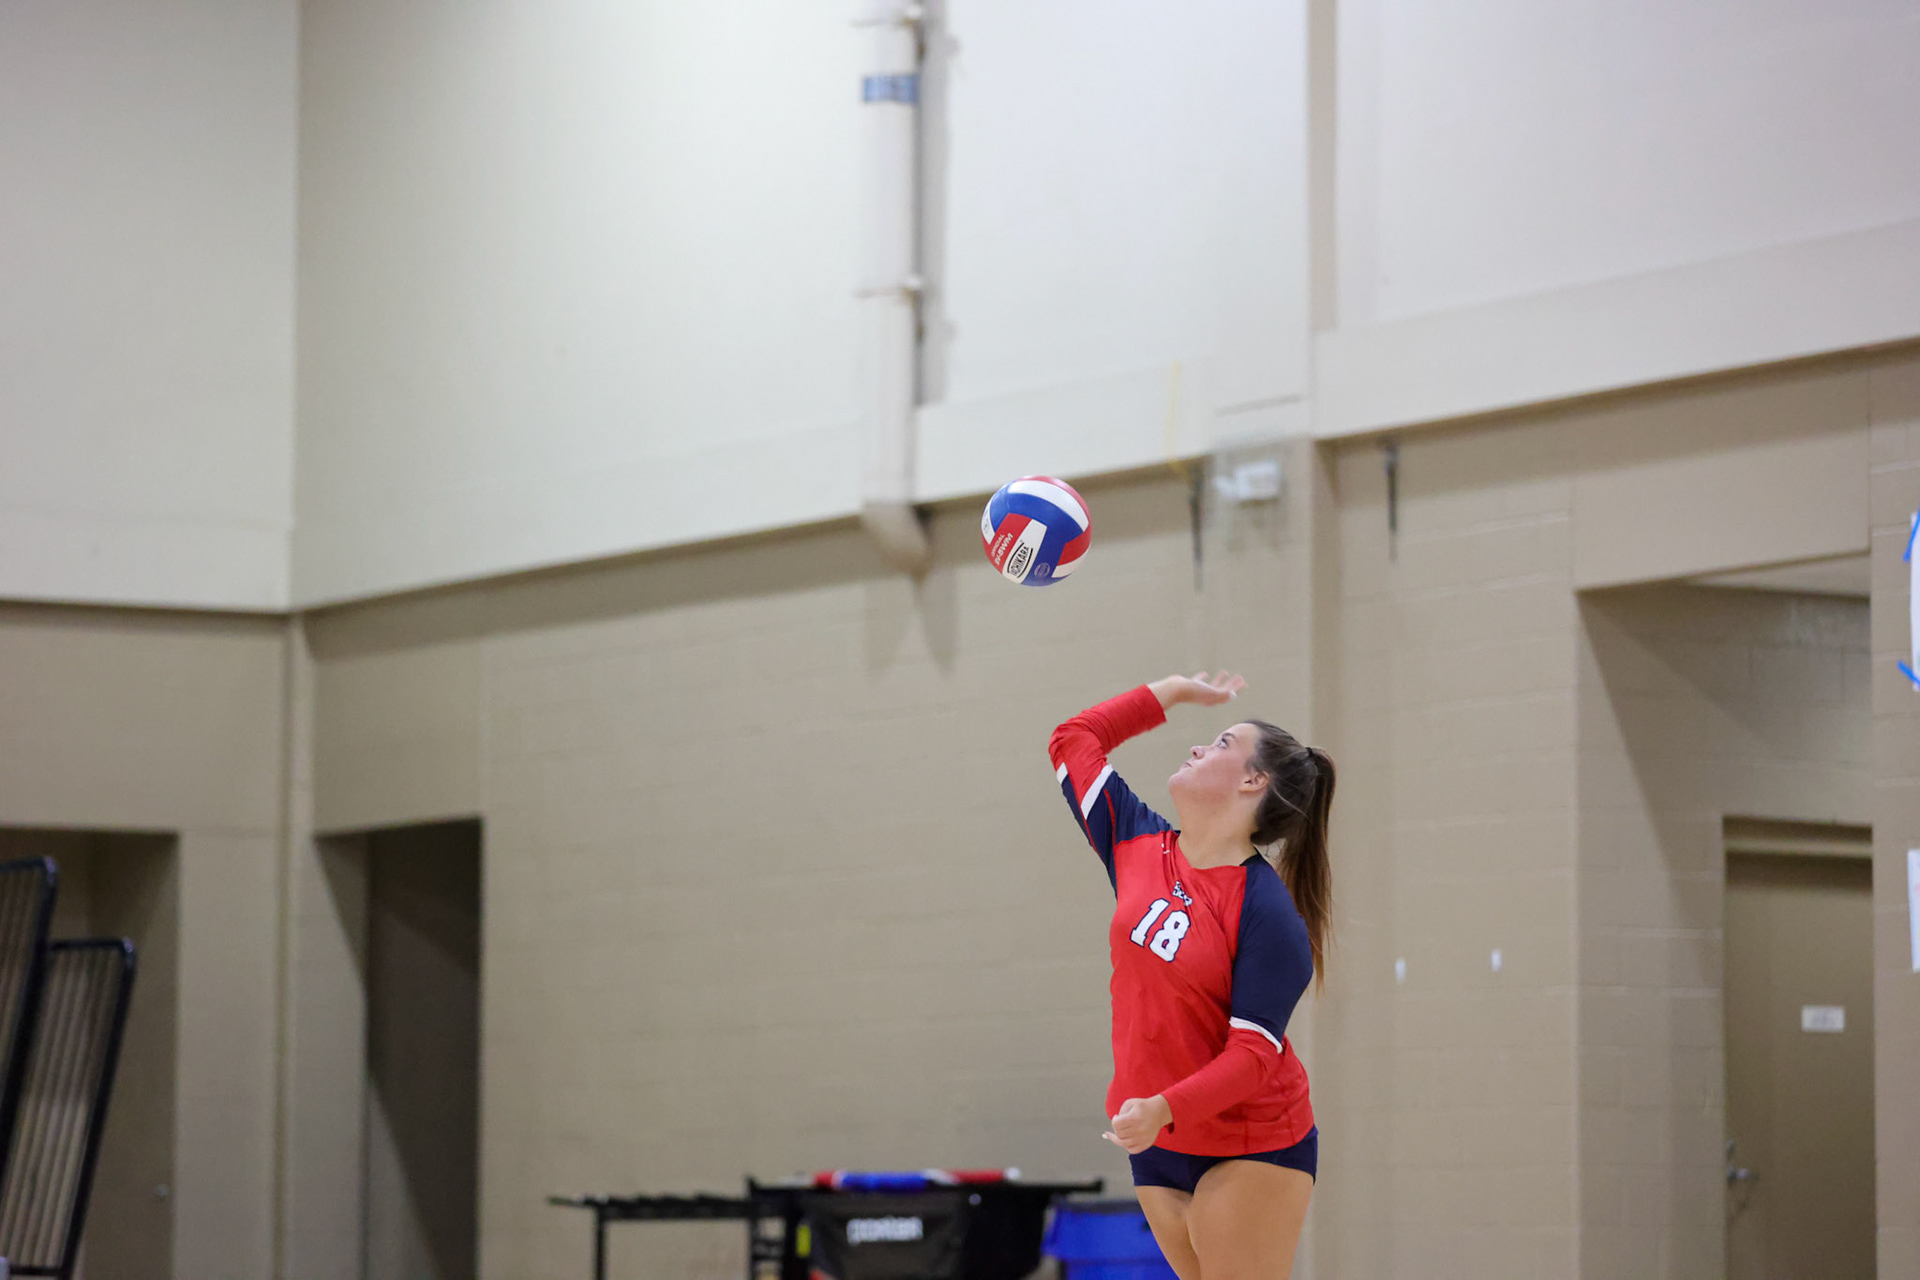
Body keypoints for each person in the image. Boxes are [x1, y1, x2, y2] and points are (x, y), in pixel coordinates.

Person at [1048, 671, 1334, 1280]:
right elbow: (1073, 740)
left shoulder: (1267, 913)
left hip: (1251, 1138)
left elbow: (1253, 1055)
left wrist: (1163, 1107)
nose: (1201, 747)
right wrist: (1170, 692)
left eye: (1224, 743)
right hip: (1157, 1139)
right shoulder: (1137, 842)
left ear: (1254, 781)